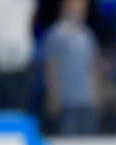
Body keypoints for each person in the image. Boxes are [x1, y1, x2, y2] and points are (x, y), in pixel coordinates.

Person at [42, 0, 101, 136]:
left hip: (87, 100)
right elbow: (50, 67)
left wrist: (97, 93)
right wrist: (53, 96)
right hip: (66, 101)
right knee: (67, 139)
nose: (80, 8)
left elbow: (93, 66)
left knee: (90, 140)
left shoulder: (87, 34)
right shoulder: (56, 34)